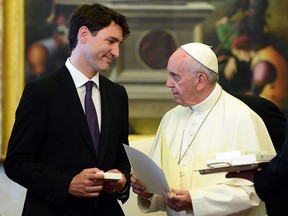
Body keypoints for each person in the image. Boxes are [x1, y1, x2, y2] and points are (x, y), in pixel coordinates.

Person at [4, 3, 131, 216]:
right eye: (111, 41)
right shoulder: (40, 92)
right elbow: (17, 163)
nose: (116, 52)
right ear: (83, 34)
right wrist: (67, 184)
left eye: (119, 44)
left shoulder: (117, 94)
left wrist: (122, 180)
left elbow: (122, 156)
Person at [130, 42, 276, 216]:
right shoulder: (170, 119)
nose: (168, 83)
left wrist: (195, 200)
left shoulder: (243, 118)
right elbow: (160, 185)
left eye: (175, 76)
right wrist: (148, 191)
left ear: (200, 80)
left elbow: (252, 192)